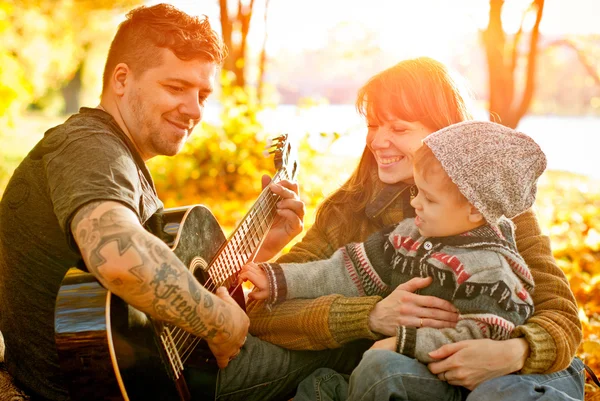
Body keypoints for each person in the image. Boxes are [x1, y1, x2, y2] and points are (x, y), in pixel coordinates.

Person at [0, 4, 369, 401]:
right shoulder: (90, 145)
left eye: (203, 94)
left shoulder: (119, 155)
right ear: (122, 79)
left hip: (144, 366)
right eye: (176, 88)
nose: (194, 109)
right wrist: (217, 323)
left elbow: (173, 286)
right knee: (349, 346)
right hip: (108, 384)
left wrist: (265, 245)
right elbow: (116, 254)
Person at [246, 58, 585, 400]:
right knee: (380, 374)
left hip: (512, 372)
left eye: (399, 128)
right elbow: (264, 312)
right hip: (417, 374)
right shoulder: (347, 212)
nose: (377, 141)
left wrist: (515, 352)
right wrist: (370, 316)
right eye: (374, 125)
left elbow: (562, 316)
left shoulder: (493, 209)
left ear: (445, 133)